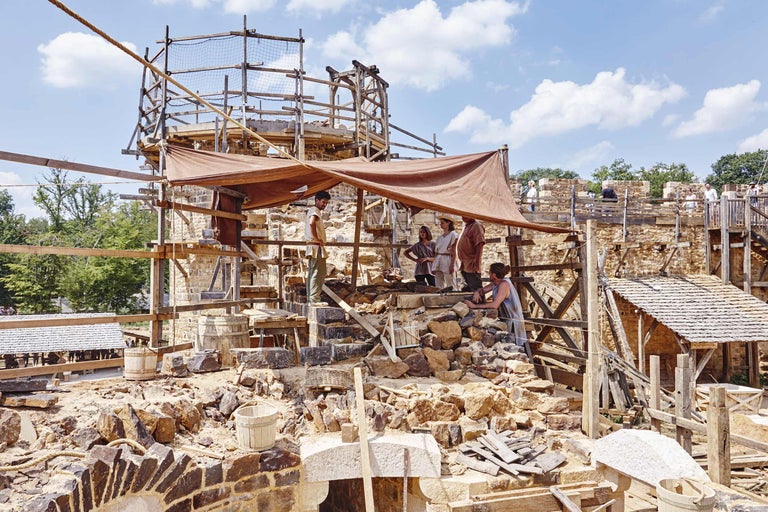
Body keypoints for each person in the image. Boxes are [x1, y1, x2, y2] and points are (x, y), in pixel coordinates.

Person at [462, 263, 526, 346]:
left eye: (489, 273)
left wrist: (474, 306)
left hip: (514, 321)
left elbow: (495, 305)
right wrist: (477, 292)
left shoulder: (504, 284)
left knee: (515, 346)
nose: (489, 274)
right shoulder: (496, 283)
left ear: (494, 275)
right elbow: (483, 290)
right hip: (506, 320)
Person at [305, 190, 330, 303]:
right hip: (315, 247)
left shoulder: (313, 210)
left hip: (313, 247)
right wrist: (316, 239)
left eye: (326, 203)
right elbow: (312, 223)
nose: (324, 204)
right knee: (318, 273)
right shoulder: (315, 210)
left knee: (312, 273)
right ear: (317, 200)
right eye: (323, 202)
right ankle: (314, 299)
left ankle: (310, 299)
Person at [457, 217, 485, 292]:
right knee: (468, 289)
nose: (462, 217)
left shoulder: (476, 226)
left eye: (464, 215)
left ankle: (479, 299)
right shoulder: (467, 226)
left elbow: (480, 244)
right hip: (465, 264)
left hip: (471, 263)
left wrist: (476, 262)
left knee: (476, 288)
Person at [433, 217, 458, 290]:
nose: (440, 224)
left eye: (442, 223)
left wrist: (452, 265)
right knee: (438, 282)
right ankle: (439, 295)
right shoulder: (440, 237)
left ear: (448, 223)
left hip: (447, 259)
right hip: (439, 259)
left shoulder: (453, 234)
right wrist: (434, 265)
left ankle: (453, 295)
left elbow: (454, 251)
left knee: (450, 282)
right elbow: (436, 253)